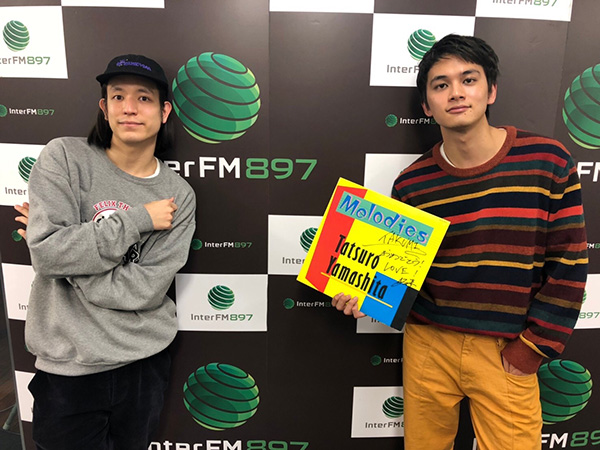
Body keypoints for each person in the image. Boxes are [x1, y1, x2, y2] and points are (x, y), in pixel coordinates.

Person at [332, 35, 588, 450]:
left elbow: (569, 263)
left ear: (491, 91)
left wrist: (532, 349)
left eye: (468, 79)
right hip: (427, 344)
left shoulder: (548, 160)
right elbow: (402, 274)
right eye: (440, 84)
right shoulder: (412, 183)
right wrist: (367, 295)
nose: (455, 92)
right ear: (426, 106)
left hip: (507, 347)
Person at [17, 54, 196, 450]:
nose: (129, 107)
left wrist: (68, 261)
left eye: (144, 98)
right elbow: (47, 255)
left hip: (142, 365)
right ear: (104, 107)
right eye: (118, 96)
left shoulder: (178, 196)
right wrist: (139, 220)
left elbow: (143, 289)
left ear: (164, 111)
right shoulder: (64, 158)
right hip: (68, 369)